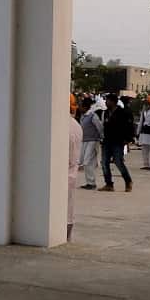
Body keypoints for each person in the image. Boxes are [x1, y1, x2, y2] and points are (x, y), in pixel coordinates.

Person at [99, 93, 133, 192]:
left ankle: (128, 181)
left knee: (118, 162)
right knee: (105, 162)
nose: (105, 102)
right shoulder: (105, 113)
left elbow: (129, 127)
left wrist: (128, 139)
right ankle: (109, 184)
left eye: (107, 101)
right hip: (107, 141)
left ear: (113, 102)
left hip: (118, 141)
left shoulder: (123, 113)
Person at [78, 97, 104, 189]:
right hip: (84, 141)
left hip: (93, 141)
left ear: (85, 107)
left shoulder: (93, 116)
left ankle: (92, 183)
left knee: (87, 162)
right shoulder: (83, 116)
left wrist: (101, 137)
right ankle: (89, 182)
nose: (79, 108)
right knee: (84, 162)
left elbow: (100, 127)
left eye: (80, 106)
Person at [67, 94, 82, 241]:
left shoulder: (63, 125)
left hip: (64, 173)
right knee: (68, 211)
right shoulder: (76, 125)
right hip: (71, 172)